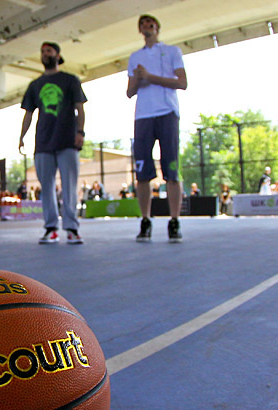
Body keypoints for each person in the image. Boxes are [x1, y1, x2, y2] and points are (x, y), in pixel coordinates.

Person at [126, 14, 188, 242]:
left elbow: (182, 82)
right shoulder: (135, 57)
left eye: (150, 24)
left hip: (167, 113)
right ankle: (145, 220)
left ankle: (174, 221)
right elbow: (129, 91)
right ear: (140, 30)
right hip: (143, 116)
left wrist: (151, 77)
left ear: (157, 28)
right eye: (142, 24)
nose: (147, 27)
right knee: (142, 172)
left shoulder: (172, 51)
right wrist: (140, 79)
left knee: (171, 169)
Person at [19, 41, 86, 245]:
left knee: (69, 185)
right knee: (46, 187)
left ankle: (72, 228)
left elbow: (80, 109)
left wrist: (80, 132)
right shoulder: (35, 85)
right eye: (42, 51)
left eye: (49, 51)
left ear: (58, 55)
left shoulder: (70, 80)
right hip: (43, 142)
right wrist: (21, 136)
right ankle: (51, 228)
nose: (44, 54)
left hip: (67, 139)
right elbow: (28, 114)